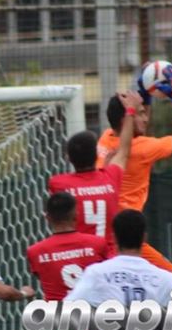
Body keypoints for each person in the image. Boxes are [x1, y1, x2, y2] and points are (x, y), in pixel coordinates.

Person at [96, 63, 172, 284]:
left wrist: (145, 97)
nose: (146, 118)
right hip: (127, 238)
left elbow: (134, 134)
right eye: (141, 114)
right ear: (127, 119)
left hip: (105, 234)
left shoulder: (106, 137)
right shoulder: (143, 149)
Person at [26, 191, 111, 330]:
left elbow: (42, 276)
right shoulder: (97, 244)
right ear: (76, 214)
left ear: (47, 217)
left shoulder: (35, 252)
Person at [49, 90, 141, 253]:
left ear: (69, 158)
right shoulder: (110, 177)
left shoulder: (58, 183)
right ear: (97, 155)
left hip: (80, 257)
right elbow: (124, 150)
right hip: (108, 259)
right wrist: (130, 111)